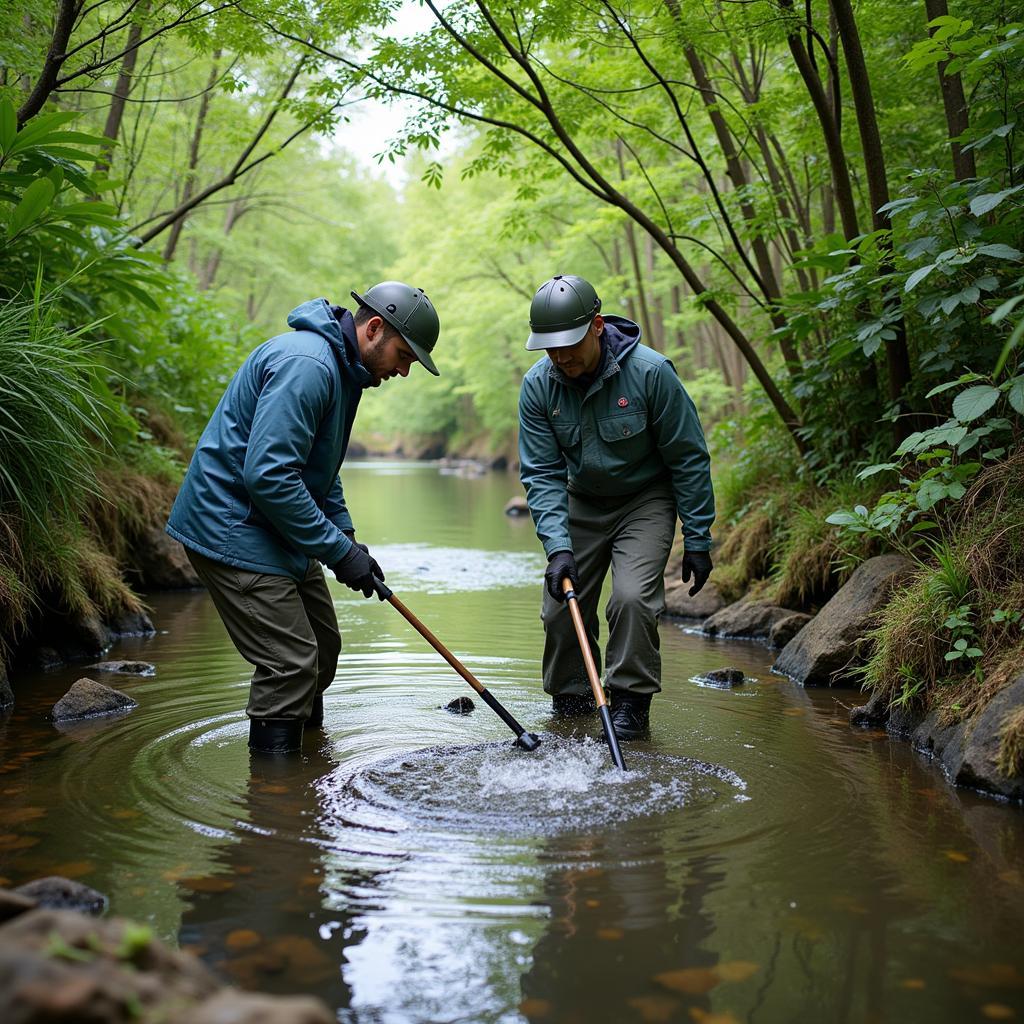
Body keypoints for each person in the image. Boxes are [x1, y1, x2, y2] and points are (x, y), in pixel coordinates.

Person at [166, 283, 440, 754]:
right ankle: (276, 800)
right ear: (374, 328)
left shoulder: (343, 371)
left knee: (322, 647)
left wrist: (347, 539)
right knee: (291, 662)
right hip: (232, 525)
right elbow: (270, 477)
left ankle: (308, 766)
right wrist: (337, 551)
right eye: (403, 355)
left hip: (275, 526)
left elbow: (319, 469)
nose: (403, 370)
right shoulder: (309, 366)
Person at [518, 274, 714, 739]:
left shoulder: (651, 373)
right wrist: (558, 547)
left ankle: (629, 704)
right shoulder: (538, 387)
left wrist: (699, 538)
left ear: (598, 326)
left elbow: (687, 457)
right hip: (579, 500)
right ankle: (573, 701)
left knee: (631, 599)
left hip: (645, 500)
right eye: (550, 348)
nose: (561, 357)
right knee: (559, 604)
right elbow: (541, 474)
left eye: (569, 344)